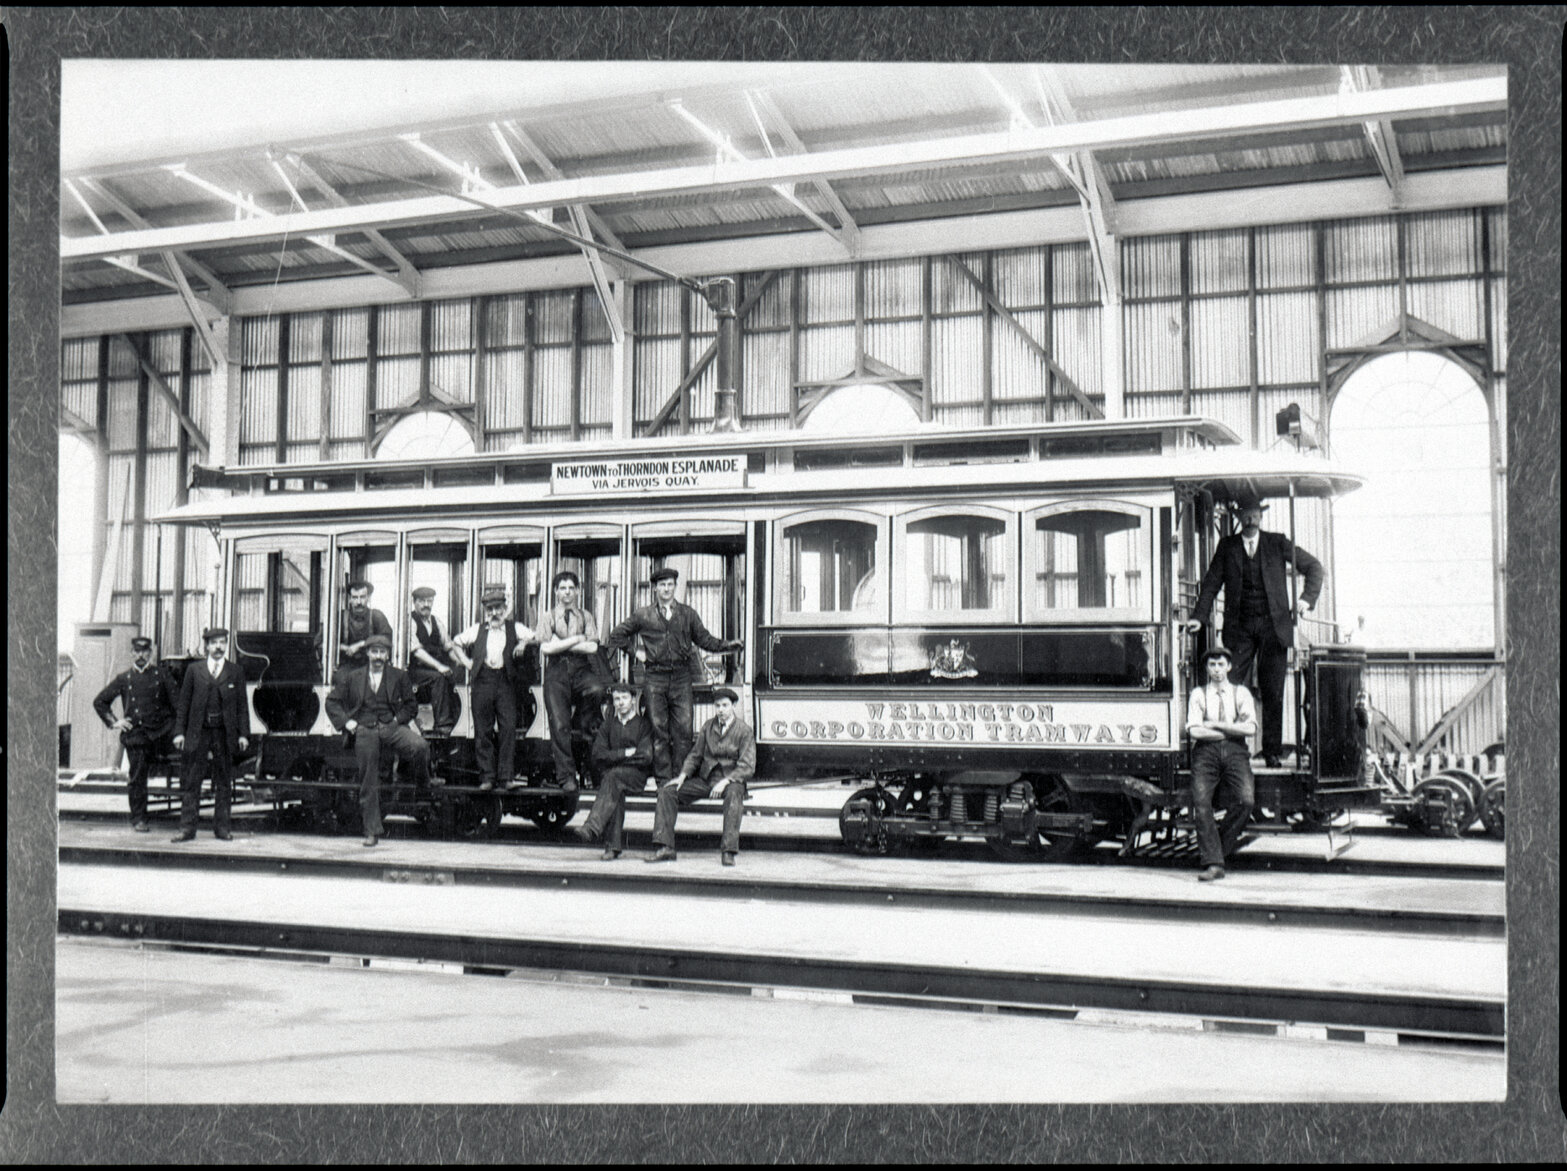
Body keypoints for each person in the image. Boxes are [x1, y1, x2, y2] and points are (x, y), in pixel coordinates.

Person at [1187, 493, 1324, 768]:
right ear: (1238, 518)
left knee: (1273, 690)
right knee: (1232, 687)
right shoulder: (1227, 547)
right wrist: (1199, 618)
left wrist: (1305, 601)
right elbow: (1211, 583)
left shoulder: (1277, 543)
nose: (1250, 519)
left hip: (1274, 628)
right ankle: (1234, 750)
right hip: (1239, 629)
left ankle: (1271, 751)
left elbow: (1314, 568)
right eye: (1245, 515)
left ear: (1261, 516)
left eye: (1254, 514)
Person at [606, 566, 742, 779]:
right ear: (654, 588)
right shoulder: (643, 615)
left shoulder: (687, 614)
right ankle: (663, 782)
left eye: (670, 584)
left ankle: (681, 778)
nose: (666, 589)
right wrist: (638, 653)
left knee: (684, 732)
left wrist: (728, 646)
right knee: (658, 731)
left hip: (681, 677)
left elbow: (705, 640)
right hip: (655, 678)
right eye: (662, 585)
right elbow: (615, 636)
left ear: (675, 587)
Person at [324, 633, 430, 848]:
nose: (378, 656)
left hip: (391, 727)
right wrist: (347, 722)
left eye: (382, 652)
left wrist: (396, 719)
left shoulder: (399, 676)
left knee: (421, 746)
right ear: (367, 653)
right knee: (368, 779)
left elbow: (411, 706)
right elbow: (332, 702)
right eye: (374, 652)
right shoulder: (353, 677)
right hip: (365, 730)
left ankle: (422, 786)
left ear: (388, 655)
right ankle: (371, 831)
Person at [646, 687, 754, 867]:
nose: (721, 710)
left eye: (725, 705)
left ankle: (728, 851)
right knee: (667, 791)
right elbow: (695, 755)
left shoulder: (744, 731)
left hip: (731, 780)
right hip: (707, 780)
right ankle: (665, 847)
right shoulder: (708, 727)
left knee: (734, 795)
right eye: (717, 705)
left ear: (734, 705)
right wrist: (682, 777)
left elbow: (747, 766)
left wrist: (725, 782)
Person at [450, 584, 535, 791]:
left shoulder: (515, 627)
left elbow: (534, 636)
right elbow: (455, 642)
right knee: (483, 730)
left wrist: (523, 644)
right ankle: (487, 777)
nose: (494, 613)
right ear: (485, 612)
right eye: (490, 609)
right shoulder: (477, 630)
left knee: (508, 728)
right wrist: (468, 663)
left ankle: (506, 778)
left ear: (505, 609)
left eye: (498, 608)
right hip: (483, 681)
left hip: (506, 682)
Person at [1185, 646, 1258, 882]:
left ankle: (1217, 849)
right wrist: (1229, 731)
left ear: (1229, 666)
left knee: (1246, 801)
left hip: (1236, 751)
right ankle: (1214, 864)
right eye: (1211, 665)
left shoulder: (1241, 693)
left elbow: (1252, 728)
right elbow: (1195, 730)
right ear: (1207, 668)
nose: (1216, 670)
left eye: (1220, 665)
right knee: (1201, 803)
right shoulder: (1198, 693)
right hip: (1206, 752)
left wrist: (1215, 725)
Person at [171, 627, 250, 842]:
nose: (218, 647)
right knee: (192, 780)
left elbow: (242, 706)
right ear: (206, 646)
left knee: (224, 781)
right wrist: (179, 732)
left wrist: (243, 734)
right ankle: (187, 829)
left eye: (222, 642)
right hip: (199, 733)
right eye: (214, 642)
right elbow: (183, 705)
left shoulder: (235, 672)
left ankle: (222, 829)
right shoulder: (194, 671)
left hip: (224, 734)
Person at [92, 634, 177, 832]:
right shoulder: (124, 679)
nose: (141, 655)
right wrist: (115, 722)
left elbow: (178, 705)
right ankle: (138, 818)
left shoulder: (162, 675)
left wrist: (174, 730)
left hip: (161, 734)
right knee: (137, 778)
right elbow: (100, 702)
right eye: (137, 652)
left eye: (145, 652)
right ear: (131, 654)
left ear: (151, 653)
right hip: (137, 735)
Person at [535, 570, 608, 792]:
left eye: (571, 588)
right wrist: (578, 639)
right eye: (562, 588)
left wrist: (563, 642)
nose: (567, 592)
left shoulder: (586, 616)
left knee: (597, 689)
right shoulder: (547, 617)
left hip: (581, 669)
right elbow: (545, 648)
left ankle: (580, 723)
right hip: (556, 672)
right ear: (556, 591)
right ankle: (566, 777)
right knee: (559, 725)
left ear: (577, 591)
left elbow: (593, 647)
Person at [572, 681, 655, 861]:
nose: (620, 702)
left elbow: (645, 757)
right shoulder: (607, 725)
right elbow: (597, 755)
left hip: (636, 776)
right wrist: (625, 753)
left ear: (633, 700)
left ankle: (592, 827)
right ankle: (613, 848)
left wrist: (614, 757)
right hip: (614, 778)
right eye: (616, 699)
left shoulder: (643, 725)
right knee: (614, 785)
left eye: (624, 698)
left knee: (612, 777)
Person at [407, 586, 458, 734]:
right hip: (415, 670)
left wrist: (460, 663)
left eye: (429, 601)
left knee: (458, 675)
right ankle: (443, 725)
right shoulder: (410, 621)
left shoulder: (436, 621)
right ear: (414, 602)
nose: (426, 605)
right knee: (439, 678)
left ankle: (458, 723)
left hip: (434, 668)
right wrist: (439, 666)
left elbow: (448, 646)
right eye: (422, 601)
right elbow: (417, 651)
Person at [338, 579, 393, 671]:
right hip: (347, 665)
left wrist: (361, 644)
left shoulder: (377, 615)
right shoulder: (340, 616)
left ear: (369, 598)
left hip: (373, 664)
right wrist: (342, 647)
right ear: (350, 599)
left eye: (362, 597)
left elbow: (387, 638)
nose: (359, 602)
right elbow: (321, 642)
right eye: (355, 597)